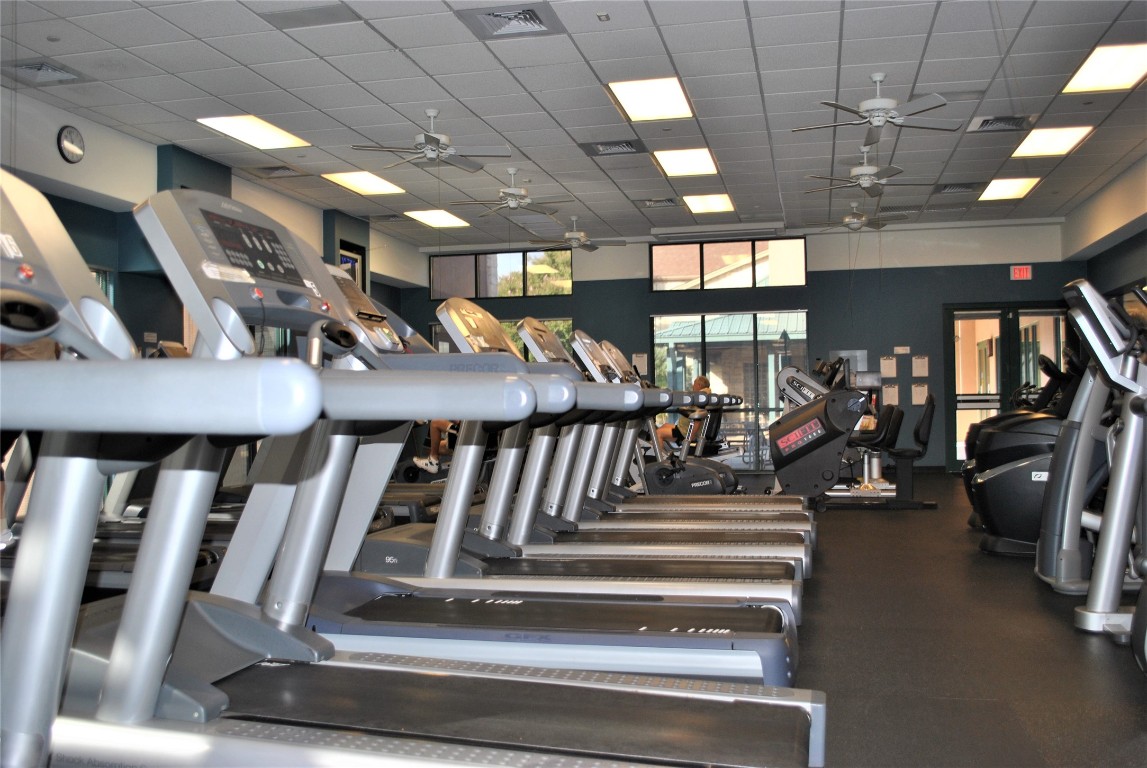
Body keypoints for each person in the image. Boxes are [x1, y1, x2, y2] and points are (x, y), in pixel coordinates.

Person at [655, 375, 711, 455]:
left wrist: (689, 439)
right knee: (665, 425)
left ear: (699, 385)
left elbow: (697, 421)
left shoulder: (701, 398)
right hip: (684, 428)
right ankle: (664, 453)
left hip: (685, 432)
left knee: (658, 433)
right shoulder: (702, 396)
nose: (692, 386)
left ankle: (660, 460)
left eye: (694, 383)